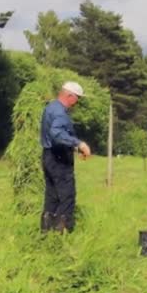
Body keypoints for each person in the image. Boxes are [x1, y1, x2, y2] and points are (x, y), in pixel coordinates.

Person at [40, 81, 91, 233]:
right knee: (67, 196)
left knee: (52, 196)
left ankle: (45, 232)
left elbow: (54, 133)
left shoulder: (50, 107)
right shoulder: (61, 113)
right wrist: (79, 144)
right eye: (78, 98)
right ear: (70, 96)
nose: (78, 102)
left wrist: (73, 146)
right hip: (59, 159)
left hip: (48, 156)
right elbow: (56, 133)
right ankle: (60, 234)